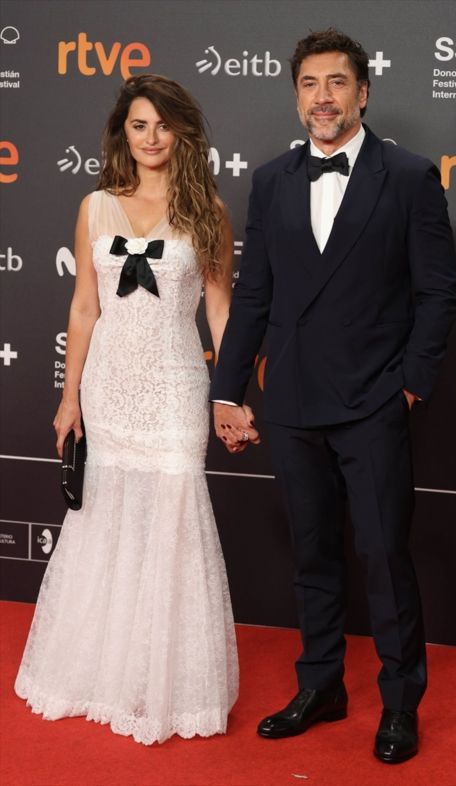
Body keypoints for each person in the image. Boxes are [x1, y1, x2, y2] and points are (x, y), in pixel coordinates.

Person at [210, 29, 456, 763]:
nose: (323, 97)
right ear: (297, 96)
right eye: (310, 84)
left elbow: (438, 294)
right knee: (313, 554)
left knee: (383, 554)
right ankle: (320, 685)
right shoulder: (271, 181)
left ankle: (401, 703)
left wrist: (409, 387)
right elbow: (254, 295)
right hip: (290, 400)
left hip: (373, 401)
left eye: (337, 82)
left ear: (363, 93)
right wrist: (227, 391)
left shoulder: (408, 176)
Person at [15, 74, 238, 745]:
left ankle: (164, 685)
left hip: (175, 387)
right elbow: (85, 306)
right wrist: (69, 397)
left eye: (163, 125)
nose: (151, 138)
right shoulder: (95, 207)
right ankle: (97, 676)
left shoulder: (209, 212)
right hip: (109, 387)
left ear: (183, 133)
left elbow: (220, 312)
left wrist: (229, 394)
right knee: (105, 523)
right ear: (123, 133)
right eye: (139, 125)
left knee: (172, 525)